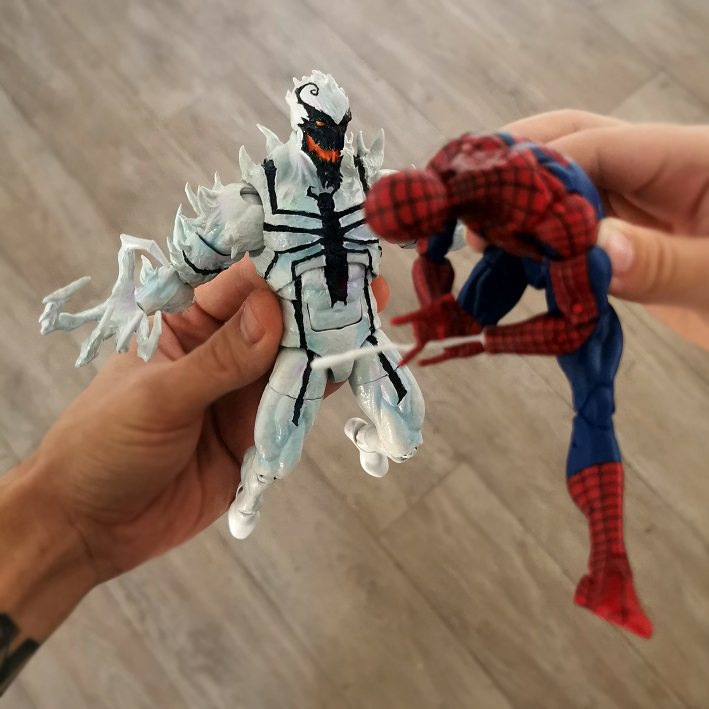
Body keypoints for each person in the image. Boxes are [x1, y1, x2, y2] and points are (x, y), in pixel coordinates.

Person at [1, 111, 708, 692]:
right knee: (275, 446)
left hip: (373, 335)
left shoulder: (387, 186)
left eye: (335, 131)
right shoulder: (267, 195)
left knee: (420, 429)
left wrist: (474, 303)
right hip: (302, 347)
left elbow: (453, 238)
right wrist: (139, 298)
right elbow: (193, 261)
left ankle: (369, 449)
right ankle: (253, 485)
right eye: (317, 131)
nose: (329, 146)